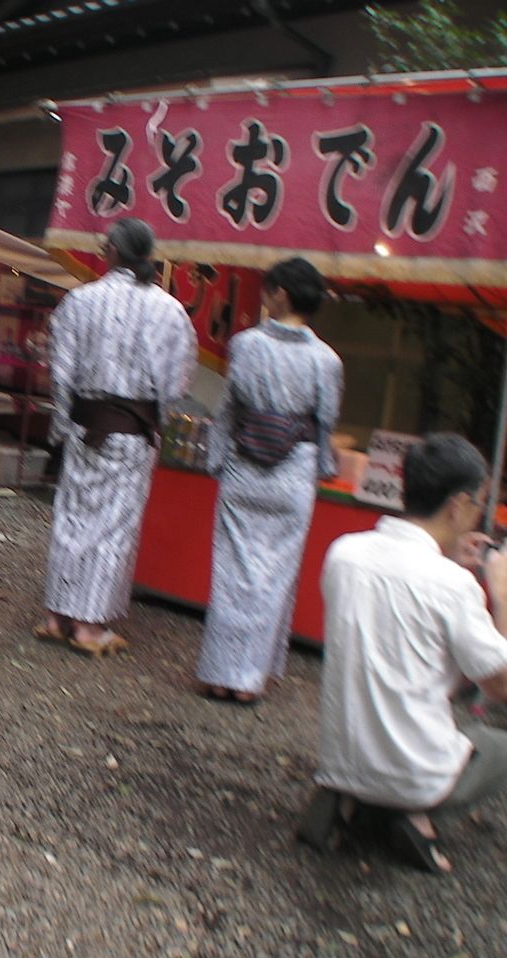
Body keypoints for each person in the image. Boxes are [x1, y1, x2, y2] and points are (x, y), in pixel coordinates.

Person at [298, 434, 507, 873]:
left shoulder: (345, 553)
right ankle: (413, 815)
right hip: (416, 774)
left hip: (340, 762)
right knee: (497, 736)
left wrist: (454, 568)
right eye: (479, 503)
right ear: (458, 504)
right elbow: (500, 683)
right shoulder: (452, 586)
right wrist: (501, 596)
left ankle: (349, 800)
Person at [35, 217, 194, 656]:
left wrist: (62, 426)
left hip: (86, 425)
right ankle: (87, 625)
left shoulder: (79, 301)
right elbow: (176, 381)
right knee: (112, 527)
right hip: (131, 431)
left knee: (71, 517)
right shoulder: (169, 310)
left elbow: (61, 373)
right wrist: (153, 420)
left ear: (110, 251)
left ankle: (57, 615)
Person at [194, 258, 343, 704]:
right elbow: (325, 422)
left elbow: (231, 408)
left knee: (233, 573)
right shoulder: (327, 360)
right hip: (293, 474)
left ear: (281, 294)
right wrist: (323, 470)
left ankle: (222, 674)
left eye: (269, 288)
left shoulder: (245, 345)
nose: (264, 293)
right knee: (273, 577)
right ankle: (250, 678)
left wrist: (216, 460)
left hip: (245, 466)